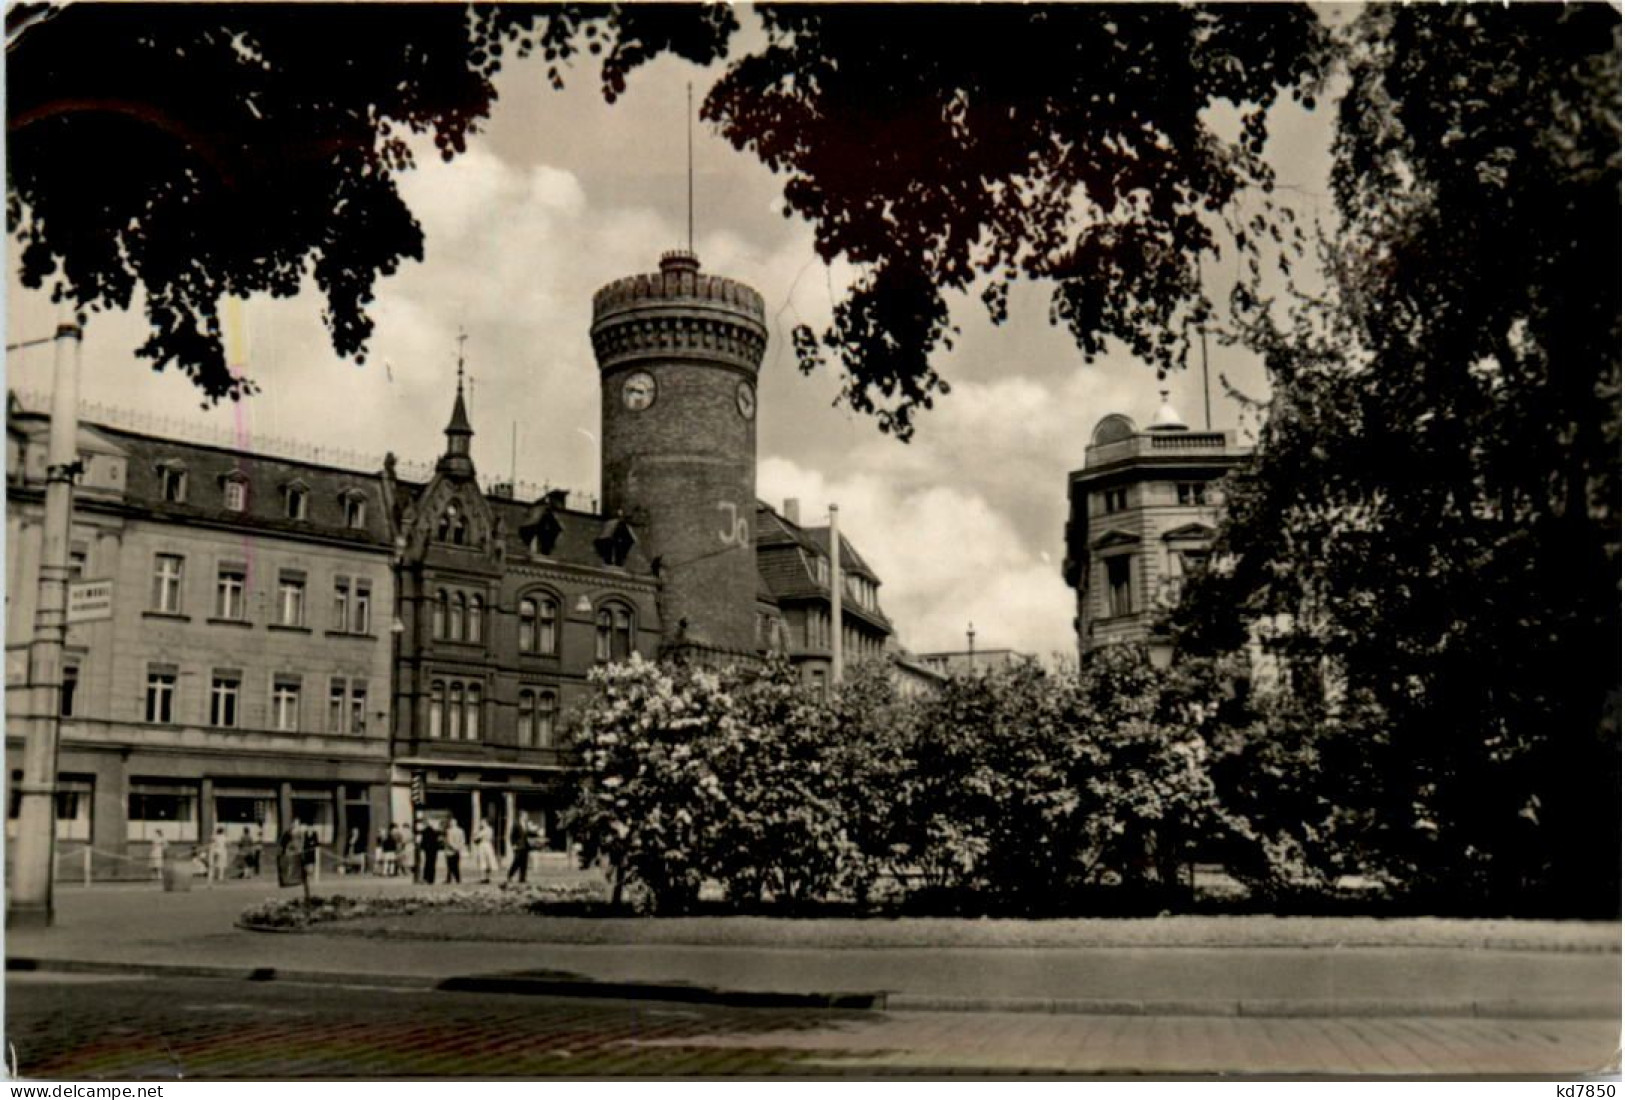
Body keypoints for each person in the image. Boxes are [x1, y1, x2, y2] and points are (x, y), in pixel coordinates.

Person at [472, 819, 499, 884]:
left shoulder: (487, 830)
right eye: (481, 823)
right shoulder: (485, 830)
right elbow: (475, 838)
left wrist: (476, 834)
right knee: (484, 861)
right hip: (485, 846)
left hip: (485, 845)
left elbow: (476, 837)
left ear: (486, 823)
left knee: (486, 861)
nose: (481, 824)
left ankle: (485, 877)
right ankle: (484, 878)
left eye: (483, 822)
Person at [506, 814, 530, 885]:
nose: (526, 818)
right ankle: (510, 875)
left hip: (525, 846)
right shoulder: (516, 824)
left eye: (527, 817)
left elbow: (526, 835)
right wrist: (513, 845)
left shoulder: (526, 825)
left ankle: (522, 878)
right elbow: (512, 836)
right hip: (518, 846)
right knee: (516, 862)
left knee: (524, 863)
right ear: (521, 816)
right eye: (525, 816)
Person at [443, 817, 466, 885]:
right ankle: (457, 879)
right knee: (456, 865)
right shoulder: (461, 831)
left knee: (450, 865)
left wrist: (454, 847)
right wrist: (459, 847)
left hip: (450, 851)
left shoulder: (449, 831)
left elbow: (449, 841)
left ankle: (449, 879)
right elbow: (463, 840)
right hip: (457, 851)